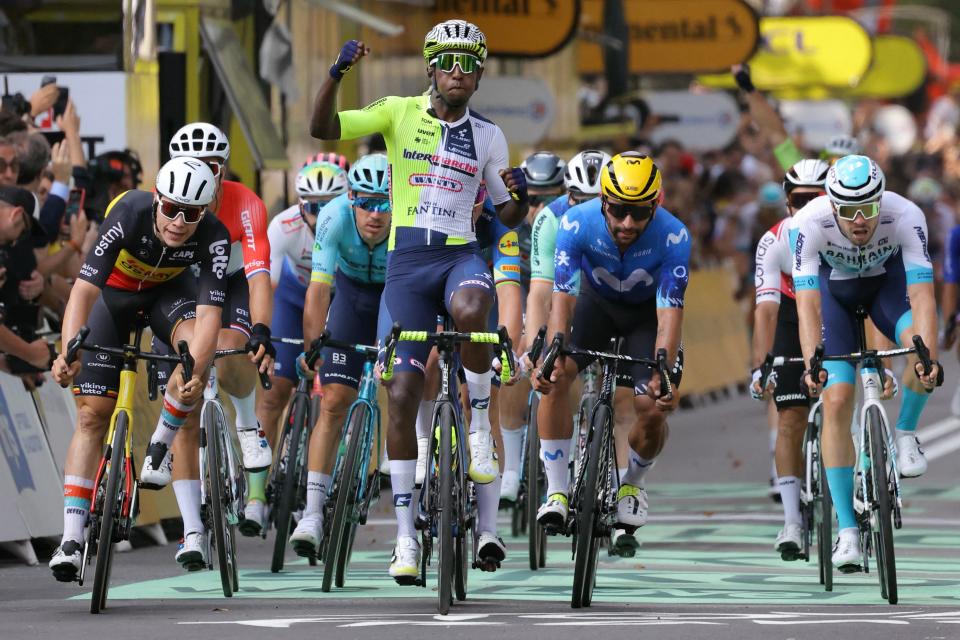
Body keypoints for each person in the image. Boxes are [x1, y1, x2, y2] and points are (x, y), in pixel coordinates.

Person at [309, 19, 529, 581]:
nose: (458, 72)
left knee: (473, 311)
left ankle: (478, 426)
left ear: (480, 74)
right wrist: (336, 74)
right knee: (402, 392)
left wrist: (520, 200)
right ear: (431, 67)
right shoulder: (398, 112)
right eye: (447, 62)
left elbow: (504, 215)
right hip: (406, 269)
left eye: (469, 64)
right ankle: (405, 537)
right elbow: (322, 126)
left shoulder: (490, 136)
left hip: (459, 257)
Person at [47, 158, 229, 580]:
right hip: (115, 296)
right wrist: (68, 351)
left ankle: (161, 444)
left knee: (190, 357)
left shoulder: (214, 237)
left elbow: (208, 319)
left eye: (193, 213)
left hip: (169, 295)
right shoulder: (128, 211)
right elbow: (84, 290)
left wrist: (195, 374)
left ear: (206, 212)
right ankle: (72, 539)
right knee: (93, 413)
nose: (180, 222)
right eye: (171, 209)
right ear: (157, 199)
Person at [533, 152, 688, 558]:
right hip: (593, 308)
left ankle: (632, 483)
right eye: (618, 210)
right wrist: (554, 351)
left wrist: (663, 370)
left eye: (638, 213)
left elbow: (670, 310)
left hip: (645, 318)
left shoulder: (674, 236)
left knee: (651, 406)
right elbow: (562, 297)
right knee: (555, 376)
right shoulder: (575, 223)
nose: (627, 224)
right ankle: (556, 491)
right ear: (603, 200)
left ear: (655, 205)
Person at [793, 155, 941, 572]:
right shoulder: (808, 222)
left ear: (882, 200)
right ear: (831, 204)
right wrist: (811, 362)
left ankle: (907, 431)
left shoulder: (907, 215)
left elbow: (923, 296)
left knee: (922, 348)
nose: (860, 220)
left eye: (869, 208)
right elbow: (806, 305)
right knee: (837, 399)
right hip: (833, 299)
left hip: (886, 292)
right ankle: (848, 531)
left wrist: (925, 354)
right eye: (848, 211)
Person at [154, 122, 275, 568]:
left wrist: (260, 329)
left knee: (227, 350)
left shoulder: (246, 202)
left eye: (211, 167)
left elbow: (259, 275)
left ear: (223, 170)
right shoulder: (170, 202)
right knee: (184, 392)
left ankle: (247, 426)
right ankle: (192, 532)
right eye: (191, 165)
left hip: (234, 280)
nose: (201, 174)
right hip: (185, 284)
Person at [287, 153, 391, 555]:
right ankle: (312, 512)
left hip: (391, 296)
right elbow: (317, 290)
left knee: (398, 381)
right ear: (351, 199)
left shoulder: (404, 223)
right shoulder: (332, 217)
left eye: (384, 203)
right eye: (366, 202)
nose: (375, 213)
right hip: (349, 298)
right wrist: (315, 347)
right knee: (332, 402)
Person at [240, 160, 349, 536]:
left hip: (339, 299)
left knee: (338, 392)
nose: (320, 215)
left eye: (329, 205)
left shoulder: (353, 223)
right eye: (312, 206)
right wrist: (264, 335)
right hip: (291, 298)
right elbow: (264, 286)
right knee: (274, 394)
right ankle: (256, 496)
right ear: (300, 206)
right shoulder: (283, 226)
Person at [750, 159, 829, 560]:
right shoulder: (773, 241)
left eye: (818, 199)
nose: (809, 208)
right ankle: (793, 522)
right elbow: (765, 312)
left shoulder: (844, 235)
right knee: (791, 416)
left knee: (839, 401)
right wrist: (762, 366)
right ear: (787, 204)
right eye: (801, 200)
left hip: (833, 310)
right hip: (789, 313)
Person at [496, 151, 565, 503]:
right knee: (513, 356)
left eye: (549, 199)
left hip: (557, 289)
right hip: (516, 287)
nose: (538, 209)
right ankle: (510, 468)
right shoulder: (511, 219)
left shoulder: (566, 220)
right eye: (532, 199)